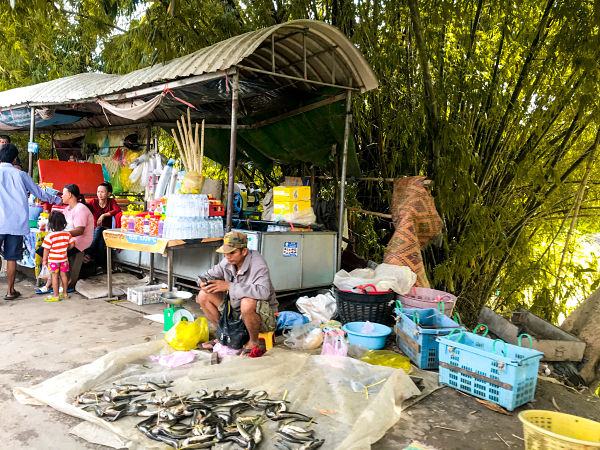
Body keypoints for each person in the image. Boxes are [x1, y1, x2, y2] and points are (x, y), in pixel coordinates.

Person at [196, 230, 278, 357]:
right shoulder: (228, 261)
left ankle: (254, 342)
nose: (228, 257)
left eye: (232, 253)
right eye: (225, 253)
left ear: (244, 251)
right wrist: (202, 282)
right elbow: (206, 275)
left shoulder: (258, 264)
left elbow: (264, 292)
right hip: (235, 310)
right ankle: (223, 335)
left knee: (247, 302)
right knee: (203, 295)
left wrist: (229, 286)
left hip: (262, 315)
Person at [0, 144, 62, 300]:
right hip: (16, 222)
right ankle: (10, 291)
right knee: (11, 258)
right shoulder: (20, 174)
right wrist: (58, 200)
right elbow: (39, 193)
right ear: (15, 158)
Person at [36, 183, 94, 294]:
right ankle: (52, 282)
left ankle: (54, 284)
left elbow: (80, 230)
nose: (61, 196)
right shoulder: (67, 209)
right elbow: (62, 227)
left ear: (70, 195)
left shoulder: (80, 209)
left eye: (64, 193)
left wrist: (60, 237)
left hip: (80, 240)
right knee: (43, 250)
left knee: (52, 251)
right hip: (67, 238)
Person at [84, 182, 121, 268]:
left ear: (108, 194)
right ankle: (101, 266)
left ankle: (88, 254)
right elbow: (85, 208)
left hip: (107, 229)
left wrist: (104, 215)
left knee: (100, 230)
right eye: (98, 191)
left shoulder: (111, 202)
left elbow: (117, 209)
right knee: (100, 237)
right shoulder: (93, 202)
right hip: (94, 230)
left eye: (102, 192)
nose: (99, 194)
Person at [41, 211, 75, 302]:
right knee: (64, 275)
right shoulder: (67, 234)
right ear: (63, 223)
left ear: (50, 224)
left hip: (53, 261)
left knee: (54, 277)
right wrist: (65, 249)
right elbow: (72, 245)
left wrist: (44, 260)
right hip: (64, 259)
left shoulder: (50, 236)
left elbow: (46, 249)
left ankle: (56, 296)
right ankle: (65, 293)